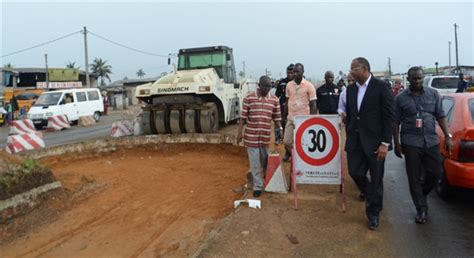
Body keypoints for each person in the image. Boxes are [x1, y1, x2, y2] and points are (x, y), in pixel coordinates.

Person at [393, 66, 453, 224]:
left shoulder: (433, 94)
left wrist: (447, 136)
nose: (418, 81)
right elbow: (395, 122)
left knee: (435, 173)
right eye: (415, 79)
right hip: (411, 142)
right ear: (409, 79)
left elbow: (441, 115)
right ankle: (421, 208)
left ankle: (421, 193)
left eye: (420, 78)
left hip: (431, 141)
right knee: (413, 177)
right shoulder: (400, 98)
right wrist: (396, 143)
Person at [345, 57, 395, 230]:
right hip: (355, 142)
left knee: (376, 179)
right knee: (355, 172)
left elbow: (389, 117)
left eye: (354, 68)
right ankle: (371, 194)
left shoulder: (381, 87)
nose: (351, 71)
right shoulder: (350, 90)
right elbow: (351, 115)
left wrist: (385, 143)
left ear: (365, 68)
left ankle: (374, 213)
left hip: (375, 143)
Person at [237, 75, 282, 198]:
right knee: (254, 163)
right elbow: (243, 118)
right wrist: (239, 133)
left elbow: (277, 119)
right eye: (265, 86)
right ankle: (258, 186)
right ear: (259, 85)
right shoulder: (249, 98)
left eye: (269, 86)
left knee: (265, 161)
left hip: (265, 137)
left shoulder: (274, 100)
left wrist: (279, 132)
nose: (267, 88)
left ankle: (266, 179)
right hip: (251, 136)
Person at [282, 63, 317, 161]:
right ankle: (297, 156)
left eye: (297, 72)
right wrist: (283, 116)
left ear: (303, 72)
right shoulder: (289, 85)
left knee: (303, 141)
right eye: (294, 72)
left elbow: (313, 104)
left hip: (303, 120)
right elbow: (287, 101)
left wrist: (312, 120)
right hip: (291, 118)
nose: (295, 74)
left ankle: (301, 160)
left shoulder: (309, 86)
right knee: (287, 141)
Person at [275, 64, 295, 146]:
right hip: (282, 108)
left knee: (290, 129)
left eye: (291, 72)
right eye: (288, 73)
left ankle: (290, 147)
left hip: (293, 109)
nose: (289, 74)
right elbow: (277, 95)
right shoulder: (282, 82)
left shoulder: (297, 83)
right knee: (279, 124)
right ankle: (278, 139)